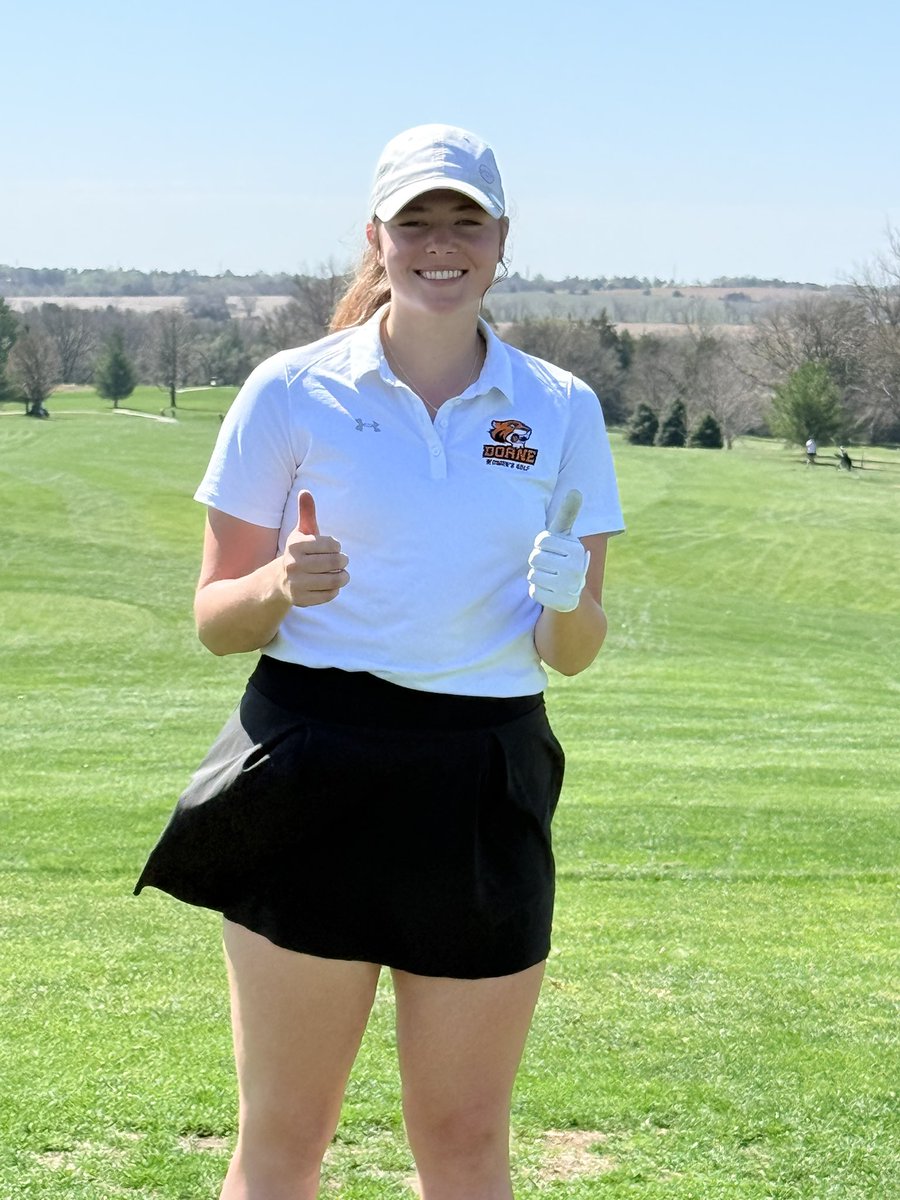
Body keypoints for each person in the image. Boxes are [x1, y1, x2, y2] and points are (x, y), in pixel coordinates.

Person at [134, 123, 624, 1200]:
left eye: (465, 222)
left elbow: (573, 653)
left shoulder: (560, 407)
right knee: (283, 1137)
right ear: (376, 238)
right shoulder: (291, 389)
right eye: (416, 221)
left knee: (465, 1140)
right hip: (311, 763)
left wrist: (567, 604)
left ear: (502, 239)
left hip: (481, 775)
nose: (441, 243)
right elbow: (217, 619)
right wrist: (279, 585)